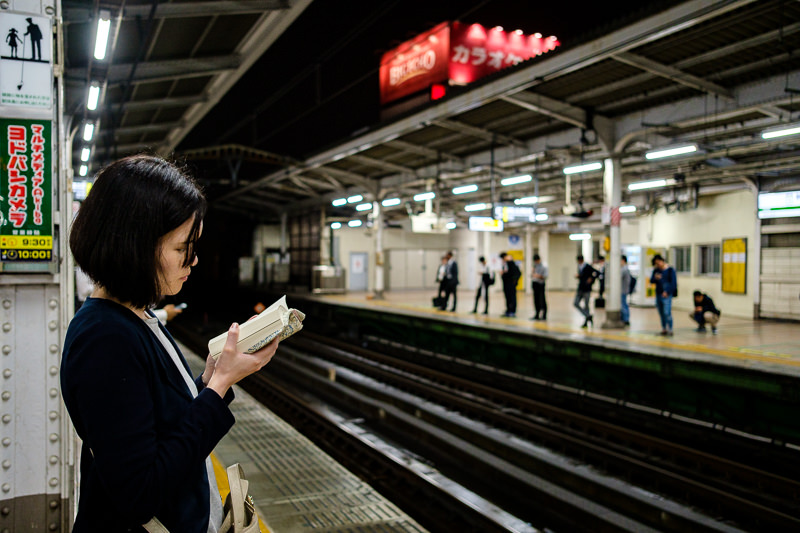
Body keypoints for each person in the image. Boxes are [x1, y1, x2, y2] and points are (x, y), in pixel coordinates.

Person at [60, 155, 280, 532]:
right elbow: (140, 493)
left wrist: (210, 379)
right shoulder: (104, 339)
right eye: (182, 248)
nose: (193, 260)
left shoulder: (133, 316)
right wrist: (219, 387)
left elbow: (156, 426)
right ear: (135, 246)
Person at [651, 254, 677, 336]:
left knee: (667, 312)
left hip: (667, 295)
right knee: (661, 313)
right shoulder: (656, 270)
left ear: (662, 261)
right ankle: (664, 328)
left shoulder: (670, 270)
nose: (658, 265)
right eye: (656, 264)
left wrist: (667, 292)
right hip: (658, 293)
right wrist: (656, 278)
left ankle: (670, 328)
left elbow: (673, 283)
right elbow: (651, 280)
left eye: (658, 263)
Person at [574, 255, 598, 328]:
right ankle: (588, 316)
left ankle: (586, 321)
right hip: (580, 288)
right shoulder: (579, 266)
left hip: (587, 289)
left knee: (586, 305)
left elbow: (597, 273)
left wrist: (591, 279)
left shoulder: (588, 267)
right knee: (576, 303)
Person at [500, 252, 521, 317]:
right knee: (507, 297)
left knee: (512, 297)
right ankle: (508, 309)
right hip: (506, 284)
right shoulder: (505, 264)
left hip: (511, 284)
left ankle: (512, 311)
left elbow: (517, 273)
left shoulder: (512, 264)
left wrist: (514, 282)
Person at [530, 254, 548, 320]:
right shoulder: (535, 265)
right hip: (535, 283)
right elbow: (532, 274)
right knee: (536, 300)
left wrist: (537, 276)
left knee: (542, 299)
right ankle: (537, 314)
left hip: (540, 284)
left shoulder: (544, 265)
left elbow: (545, 276)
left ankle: (544, 314)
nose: (536, 262)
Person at [620, 255, 631, 326]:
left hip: (623, 290)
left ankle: (626, 319)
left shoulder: (624, 269)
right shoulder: (624, 268)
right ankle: (624, 318)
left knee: (623, 304)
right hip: (624, 290)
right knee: (624, 304)